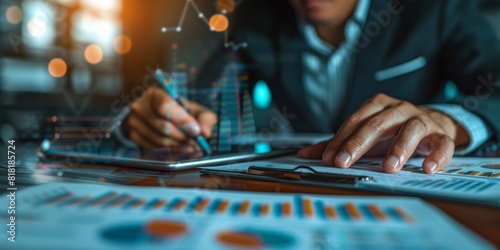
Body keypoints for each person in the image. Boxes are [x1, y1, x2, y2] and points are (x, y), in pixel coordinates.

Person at [123, 0, 500, 174]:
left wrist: (449, 121)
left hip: (410, 181)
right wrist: (162, 120)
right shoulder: (258, 16)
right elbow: (199, 103)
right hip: (306, 187)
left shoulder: (437, 9)